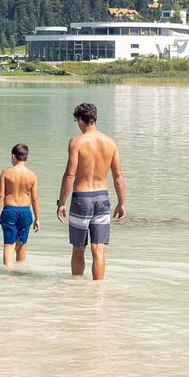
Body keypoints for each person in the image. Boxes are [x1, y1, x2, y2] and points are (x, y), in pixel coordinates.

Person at [56, 102, 125, 280]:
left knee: (78, 247)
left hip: (82, 198)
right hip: (103, 198)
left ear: (80, 119)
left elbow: (70, 175)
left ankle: (77, 290)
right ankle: (98, 291)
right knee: (98, 248)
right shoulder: (110, 143)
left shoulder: (77, 142)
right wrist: (122, 202)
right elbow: (118, 176)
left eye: (76, 120)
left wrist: (61, 202)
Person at [0, 143, 40, 266]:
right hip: (25, 211)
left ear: (13, 156)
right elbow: (35, 198)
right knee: (22, 245)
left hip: (9, 211)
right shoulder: (32, 175)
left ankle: (8, 276)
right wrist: (37, 218)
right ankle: (21, 276)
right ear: (27, 158)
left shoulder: (6, 173)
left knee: (9, 245)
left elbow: (0, 195)